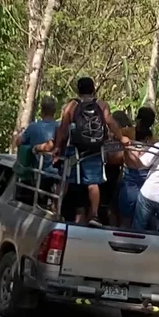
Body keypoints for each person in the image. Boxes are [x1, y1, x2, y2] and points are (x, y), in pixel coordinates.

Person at [54, 77, 130, 226]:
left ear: (78, 90)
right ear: (93, 89)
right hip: (94, 150)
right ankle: (94, 215)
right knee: (93, 183)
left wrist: (57, 147)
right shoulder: (101, 105)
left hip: (75, 149)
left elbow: (63, 129)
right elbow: (110, 122)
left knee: (65, 179)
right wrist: (121, 138)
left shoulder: (71, 106)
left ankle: (56, 208)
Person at [118, 107, 156, 227]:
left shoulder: (153, 140)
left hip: (143, 177)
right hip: (134, 176)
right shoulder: (127, 133)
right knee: (130, 213)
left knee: (134, 216)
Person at [16, 96, 58, 202]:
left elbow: (19, 142)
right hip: (58, 173)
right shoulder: (60, 127)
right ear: (54, 111)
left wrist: (19, 135)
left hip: (42, 173)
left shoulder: (34, 127)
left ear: (42, 110)